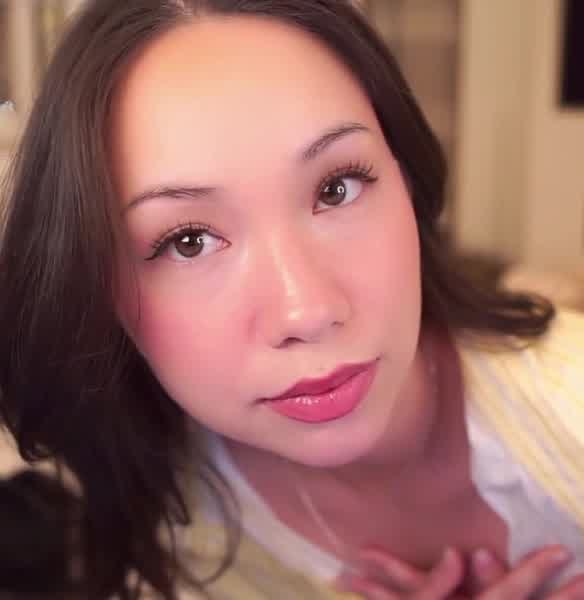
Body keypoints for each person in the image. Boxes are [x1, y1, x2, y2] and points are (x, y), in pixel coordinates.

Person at [0, 1, 583, 598]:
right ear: (102, 293)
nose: (306, 311)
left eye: (336, 188)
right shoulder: (180, 537)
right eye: (189, 241)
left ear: (406, 179)